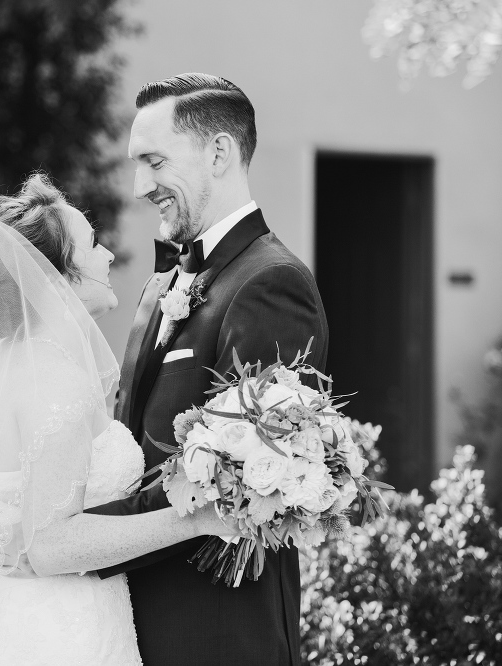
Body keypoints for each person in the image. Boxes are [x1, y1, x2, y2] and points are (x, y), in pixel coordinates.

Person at [0, 174, 236, 666]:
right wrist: (201, 517)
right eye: (91, 244)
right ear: (53, 274)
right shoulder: (51, 378)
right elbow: (51, 546)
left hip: (8, 623)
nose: (107, 256)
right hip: (64, 634)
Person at [86, 73, 330, 665]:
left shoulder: (271, 284)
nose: (141, 184)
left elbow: (230, 484)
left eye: (155, 161)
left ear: (218, 151)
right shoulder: (163, 284)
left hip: (215, 633)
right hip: (125, 625)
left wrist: (78, 541)